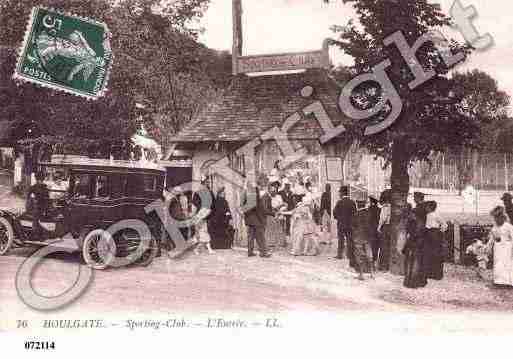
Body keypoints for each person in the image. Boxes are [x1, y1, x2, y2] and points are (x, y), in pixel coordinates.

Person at [241, 181, 272, 258]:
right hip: (257, 220)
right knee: (260, 236)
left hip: (248, 219)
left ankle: (250, 252)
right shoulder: (256, 196)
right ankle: (263, 253)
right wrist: (272, 213)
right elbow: (261, 208)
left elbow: (243, 207)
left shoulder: (246, 196)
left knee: (250, 236)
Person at [403, 203, 428, 288]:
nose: (411, 215)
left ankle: (409, 282)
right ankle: (412, 282)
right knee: (415, 263)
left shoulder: (412, 222)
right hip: (418, 243)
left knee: (412, 263)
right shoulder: (421, 223)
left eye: (413, 214)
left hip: (413, 243)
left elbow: (410, 234)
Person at [487, 206, 513, 287]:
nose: (496, 220)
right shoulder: (494, 228)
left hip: (507, 249)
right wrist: (488, 249)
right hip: (498, 249)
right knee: (498, 264)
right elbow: (491, 240)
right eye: (495, 218)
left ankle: (508, 282)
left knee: (507, 264)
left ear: (502, 217)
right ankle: (498, 281)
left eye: (498, 217)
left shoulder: (508, 226)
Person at [423, 201, 448, 280]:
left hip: (434, 234)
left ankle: (436, 274)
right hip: (428, 234)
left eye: (427, 207)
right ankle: (430, 273)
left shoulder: (436, 215)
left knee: (435, 253)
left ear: (430, 207)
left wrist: (440, 231)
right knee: (429, 253)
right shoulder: (427, 215)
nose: (426, 208)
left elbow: (444, 224)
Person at [333, 186, 357, 267]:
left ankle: (340, 254)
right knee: (350, 240)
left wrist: (339, 218)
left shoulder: (339, 202)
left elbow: (335, 213)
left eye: (340, 192)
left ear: (342, 193)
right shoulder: (352, 202)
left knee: (341, 239)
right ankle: (349, 255)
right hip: (350, 224)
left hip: (341, 224)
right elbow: (355, 214)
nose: (339, 194)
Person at [27, 172, 50, 240]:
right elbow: (47, 198)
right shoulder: (44, 187)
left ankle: (36, 235)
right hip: (41, 206)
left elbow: (28, 197)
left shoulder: (34, 187)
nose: (40, 181)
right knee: (37, 221)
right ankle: (39, 236)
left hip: (38, 206)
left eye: (40, 179)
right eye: (39, 179)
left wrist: (32, 200)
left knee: (36, 221)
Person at [264, 182, 287, 248]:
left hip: (279, 213)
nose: (275, 191)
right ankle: (271, 242)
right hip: (271, 214)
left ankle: (281, 242)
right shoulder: (267, 197)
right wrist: (277, 207)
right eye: (273, 189)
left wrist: (282, 208)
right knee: (270, 228)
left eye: (276, 189)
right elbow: (268, 207)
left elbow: (283, 205)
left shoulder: (279, 197)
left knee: (280, 227)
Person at [377, 190, 391, 271]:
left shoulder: (385, 207)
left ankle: (383, 266)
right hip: (392, 228)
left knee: (383, 247)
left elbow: (383, 219)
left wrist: (379, 227)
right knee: (389, 247)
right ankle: (388, 265)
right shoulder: (393, 207)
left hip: (385, 227)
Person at [368, 196, 381, 266]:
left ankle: (371, 260)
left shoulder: (369, 210)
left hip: (370, 230)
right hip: (377, 230)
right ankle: (375, 259)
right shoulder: (379, 209)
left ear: (371, 202)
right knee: (376, 245)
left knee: (370, 245)